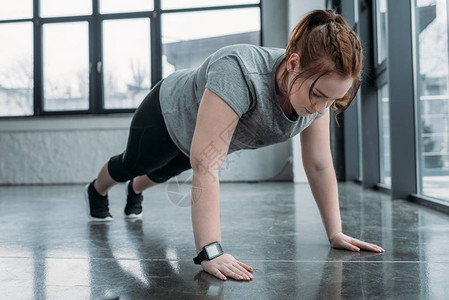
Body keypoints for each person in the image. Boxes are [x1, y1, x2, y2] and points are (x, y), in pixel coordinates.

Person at [84, 9, 385, 282]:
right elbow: (206, 165)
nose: (322, 108)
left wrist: (335, 232)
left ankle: (135, 190)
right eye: (319, 95)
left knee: (161, 174)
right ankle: (97, 190)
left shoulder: (315, 96)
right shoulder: (239, 71)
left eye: (334, 100)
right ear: (293, 64)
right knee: (136, 164)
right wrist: (210, 251)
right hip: (166, 114)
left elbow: (319, 165)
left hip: (199, 140)